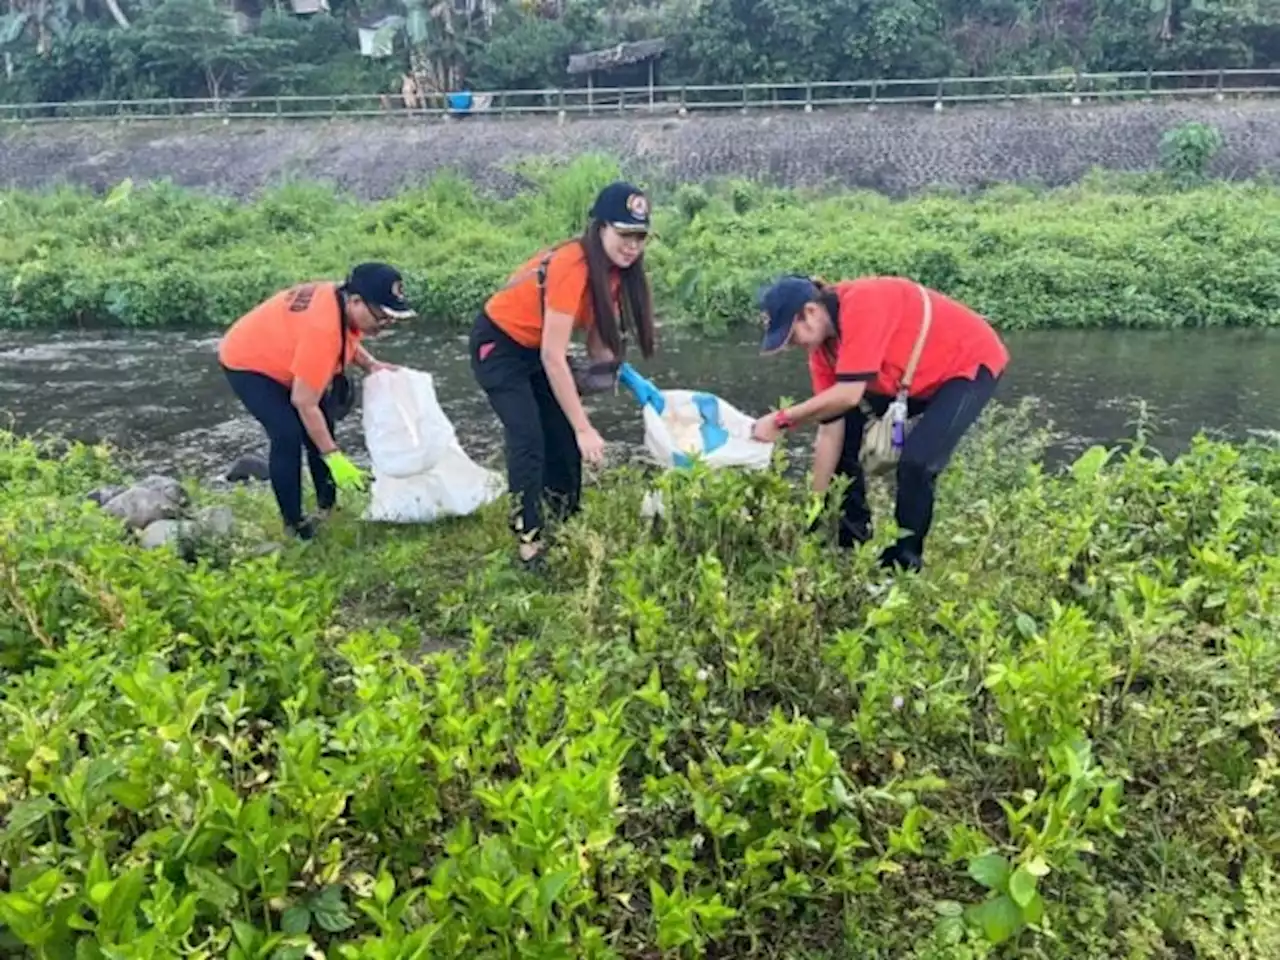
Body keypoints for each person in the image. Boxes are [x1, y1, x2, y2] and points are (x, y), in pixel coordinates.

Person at [750, 275, 1009, 572]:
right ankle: (849, 538)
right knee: (844, 430)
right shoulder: (823, 352)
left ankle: (904, 562)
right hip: (908, 379)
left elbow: (849, 394)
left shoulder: (863, 303)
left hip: (966, 365)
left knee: (917, 462)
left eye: (791, 336)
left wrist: (781, 420)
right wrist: (815, 509)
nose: (791, 346)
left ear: (809, 312)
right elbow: (829, 429)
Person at [471, 180, 657, 568]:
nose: (632, 246)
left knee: (560, 439)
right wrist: (584, 426)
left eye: (640, 236)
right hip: (499, 345)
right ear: (600, 227)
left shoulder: (614, 271)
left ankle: (565, 521)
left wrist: (624, 376)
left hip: (533, 350)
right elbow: (554, 357)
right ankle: (529, 540)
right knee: (528, 437)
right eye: (624, 234)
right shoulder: (573, 265)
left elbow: (597, 343)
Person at [218, 262, 416, 540]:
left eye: (391, 318)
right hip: (249, 362)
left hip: (287, 350)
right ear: (357, 301)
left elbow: (346, 339)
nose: (385, 325)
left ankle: (327, 507)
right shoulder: (322, 331)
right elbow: (303, 401)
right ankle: (294, 525)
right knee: (287, 433)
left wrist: (371, 364)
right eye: (382, 316)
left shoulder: (341, 299)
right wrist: (334, 457)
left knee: (322, 425)